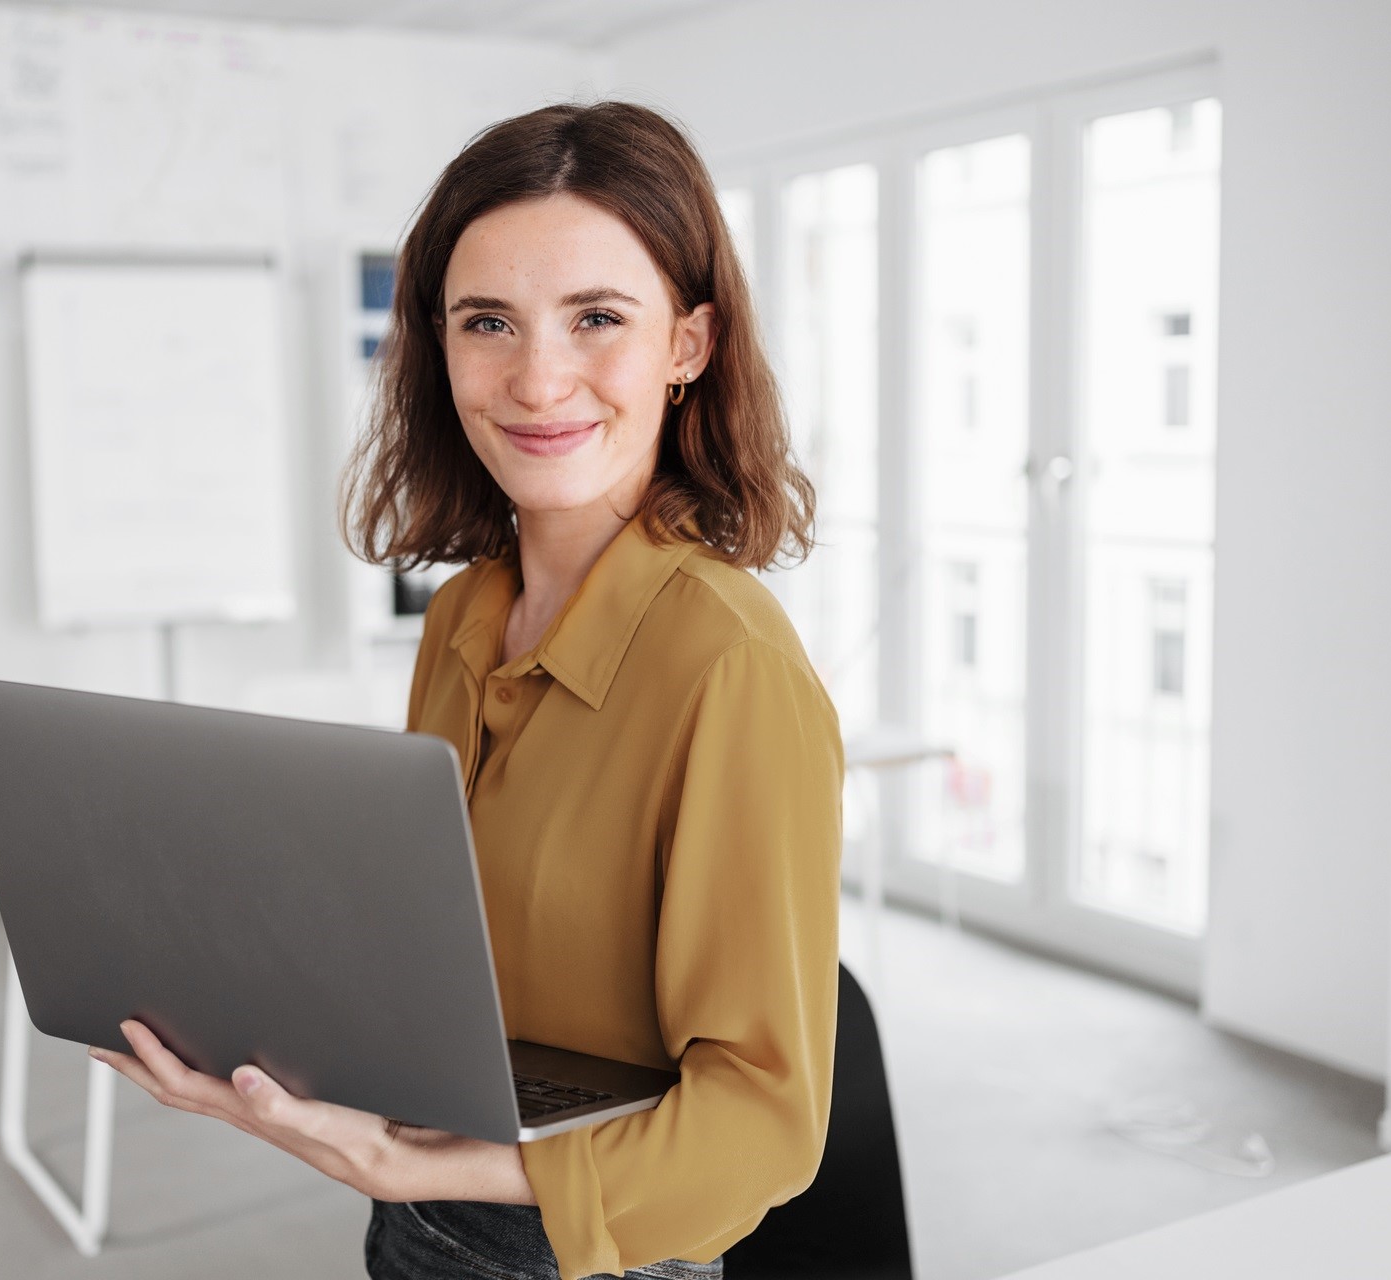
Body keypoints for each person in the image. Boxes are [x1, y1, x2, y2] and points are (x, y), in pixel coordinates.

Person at [89, 99, 845, 1280]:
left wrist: (441, 1166)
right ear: (438, 349)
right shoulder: (462, 615)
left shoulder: (728, 664)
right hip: (416, 1225)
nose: (539, 379)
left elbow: (765, 1128)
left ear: (688, 346)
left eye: (598, 317)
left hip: (599, 1253)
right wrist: (269, 1042)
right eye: (488, 320)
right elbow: (444, 960)